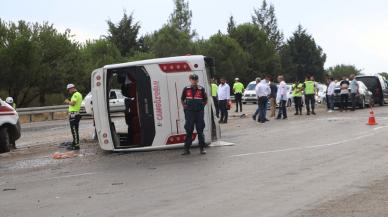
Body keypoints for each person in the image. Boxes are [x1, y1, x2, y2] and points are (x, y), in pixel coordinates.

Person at [181, 74, 208, 155]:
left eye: (196, 79)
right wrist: (185, 107)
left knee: (200, 130)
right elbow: (182, 99)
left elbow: (205, 99)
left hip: (199, 113)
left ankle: (202, 148)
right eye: (193, 79)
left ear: (197, 80)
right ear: (190, 79)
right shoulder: (186, 89)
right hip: (189, 113)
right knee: (189, 130)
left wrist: (202, 106)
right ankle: (186, 149)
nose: (194, 81)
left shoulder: (201, 89)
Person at [64, 84, 83, 150]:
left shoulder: (75, 94)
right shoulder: (79, 94)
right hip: (76, 114)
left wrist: (67, 101)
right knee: (75, 130)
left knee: (74, 130)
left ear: (71, 88)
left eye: (69, 90)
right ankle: (74, 142)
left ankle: (76, 145)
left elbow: (73, 103)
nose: (69, 91)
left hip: (74, 115)